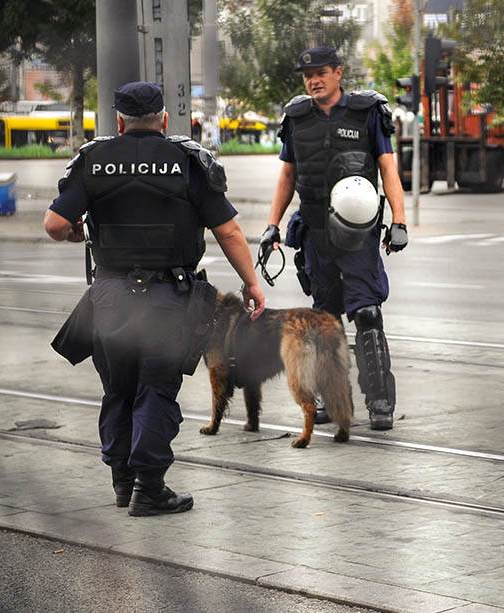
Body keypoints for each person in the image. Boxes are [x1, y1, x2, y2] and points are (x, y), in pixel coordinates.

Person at [44, 81, 266, 516]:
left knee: (118, 391)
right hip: (169, 299)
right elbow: (228, 231)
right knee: (157, 391)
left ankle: (123, 483)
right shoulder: (188, 161)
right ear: (164, 119)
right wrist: (252, 283)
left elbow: (54, 224)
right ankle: (150, 488)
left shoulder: (94, 159)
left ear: (119, 121)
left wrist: (74, 231)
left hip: (109, 299)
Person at [260, 47, 408, 431]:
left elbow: (388, 169)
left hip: (358, 233)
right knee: (325, 319)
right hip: (315, 233)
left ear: (339, 73)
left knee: (367, 313)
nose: (313, 80)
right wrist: (272, 226)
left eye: (321, 72)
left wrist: (399, 220)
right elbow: (287, 175)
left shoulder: (366, 113)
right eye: (307, 74)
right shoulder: (297, 117)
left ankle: (379, 401)